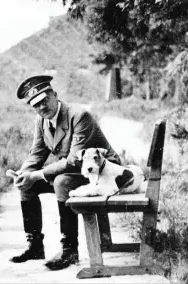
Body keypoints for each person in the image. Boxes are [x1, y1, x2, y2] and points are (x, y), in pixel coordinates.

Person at [10, 75, 120, 270]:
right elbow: (37, 152)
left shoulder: (78, 115)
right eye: (36, 105)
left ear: (55, 95)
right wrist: (24, 173)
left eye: (45, 100)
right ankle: (35, 245)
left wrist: (36, 174)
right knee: (28, 184)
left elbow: (72, 161)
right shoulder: (41, 121)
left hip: (103, 174)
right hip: (81, 174)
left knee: (61, 181)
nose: (42, 107)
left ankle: (69, 250)